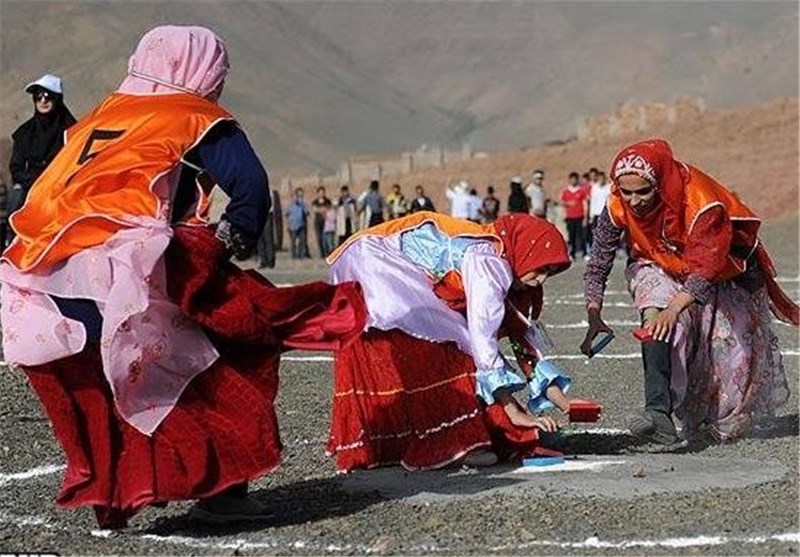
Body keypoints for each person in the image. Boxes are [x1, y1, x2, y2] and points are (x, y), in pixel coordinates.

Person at [0, 25, 366, 529]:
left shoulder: (97, 119)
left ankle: (123, 493)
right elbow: (250, 188)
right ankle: (222, 491)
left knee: (117, 381)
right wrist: (224, 245)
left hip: (45, 278)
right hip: (132, 270)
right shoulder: (194, 116)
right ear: (199, 69)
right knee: (229, 359)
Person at [581, 139, 796, 446]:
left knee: (730, 359)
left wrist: (675, 308)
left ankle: (711, 419)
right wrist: (594, 313)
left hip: (724, 271)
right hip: (657, 262)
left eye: (643, 191)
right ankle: (658, 411)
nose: (634, 201)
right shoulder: (616, 202)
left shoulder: (701, 203)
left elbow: (706, 269)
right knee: (655, 315)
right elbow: (600, 257)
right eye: (626, 191)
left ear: (660, 182)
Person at [326, 211, 580, 471]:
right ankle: (451, 443)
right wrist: (513, 412)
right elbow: (482, 339)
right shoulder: (488, 261)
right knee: (451, 341)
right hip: (375, 258)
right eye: (540, 268)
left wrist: (564, 402)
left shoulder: (510, 266)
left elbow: (523, 342)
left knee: (452, 340)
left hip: (377, 258)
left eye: (549, 272)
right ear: (527, 253)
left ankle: (447, 438)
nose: (542, 280)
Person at [8, 74, 76, 243]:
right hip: (31, 186)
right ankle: (9, 242)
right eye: (38, 97)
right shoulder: (24, 133)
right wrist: (34, 182)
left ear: (57, 99)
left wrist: (53, 181)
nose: (43, 101)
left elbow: (76, 163)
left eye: (48, 96)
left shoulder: (72, 131)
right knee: (15, 196)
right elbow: (16, 168)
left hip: (61, 186)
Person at [559, 171, 589, 260]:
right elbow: (561, 201)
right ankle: (572, 253)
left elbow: (585, 203)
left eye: (575, 179)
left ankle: (585, 253)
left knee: (581, 236)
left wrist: (585, 216)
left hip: (580, 216)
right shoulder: (566, 191)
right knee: (571, 236)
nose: (573, 181)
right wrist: (567, 203)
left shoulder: (581, 190)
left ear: (577, 180)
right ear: (569, 180)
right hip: (570, 217)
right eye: (571, 179)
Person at [586, 170, 611, 253]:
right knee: (596, 232)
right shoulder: (595, 188)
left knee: (606, 233)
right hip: (597, 213)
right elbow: (593, 201)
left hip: (606, 214)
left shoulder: (609, 187)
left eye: (602, 178)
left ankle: (606, 249)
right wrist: (591, 215)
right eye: (599, 178)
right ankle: (596, 249)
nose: (601, 180)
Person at [285, 187, 310, 258]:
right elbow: (286, 214)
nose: (296, 199)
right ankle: (294, 255)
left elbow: (307, 212)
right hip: (293, 226)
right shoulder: (290, 206)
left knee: (302, 240)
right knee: (293, 242)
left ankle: (301, 254)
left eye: (297, 197)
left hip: (301, 225)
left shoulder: (302, 204)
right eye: (294, 197)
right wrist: (288, 224)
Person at [311, 186, 331, 258]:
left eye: (323, 192)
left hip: (326, 222)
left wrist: (320, 209)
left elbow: (328, 209)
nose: (321, 194)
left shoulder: (327, 201)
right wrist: (323, 209)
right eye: (320, 192)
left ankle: (327, 252)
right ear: (318, 193)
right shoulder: (315, 201)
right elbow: (314, 209)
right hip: (317, 222)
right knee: (319, 238)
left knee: (325, 238)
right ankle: (322, 253)